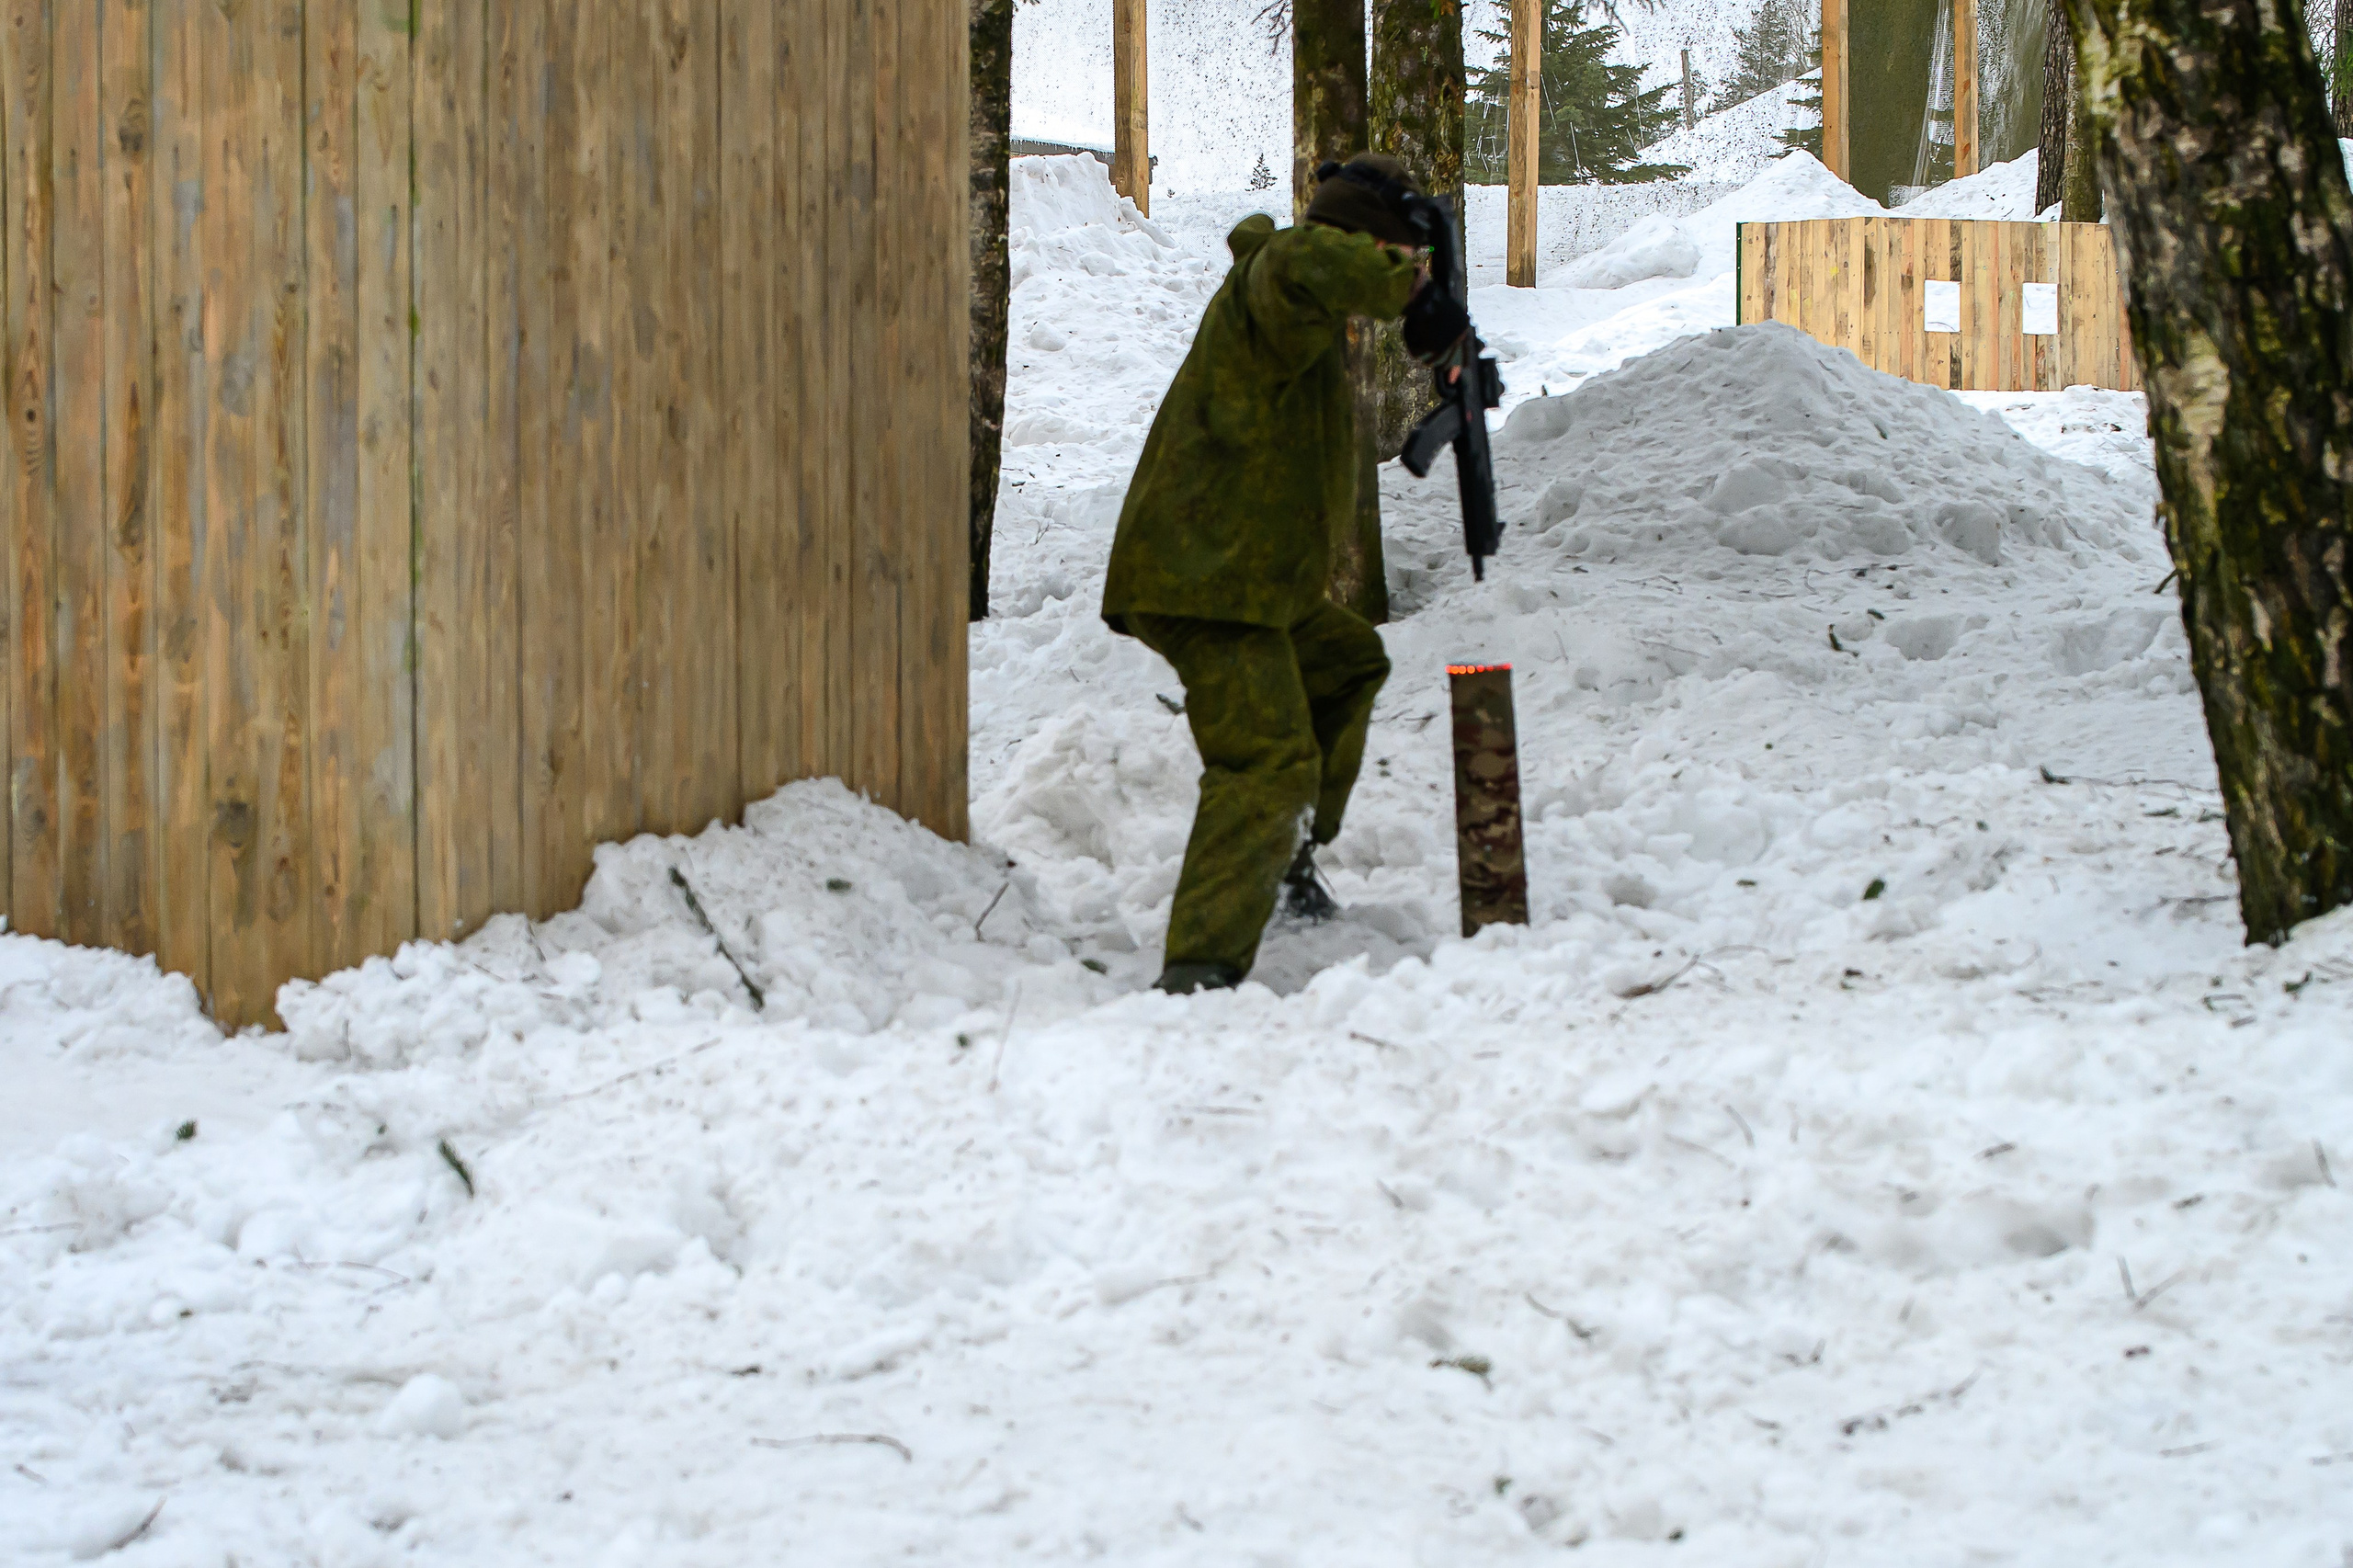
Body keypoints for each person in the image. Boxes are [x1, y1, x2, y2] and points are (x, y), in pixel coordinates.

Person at [1100, 153, 1472, 994]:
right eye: (1394, 258)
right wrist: (1415, 275)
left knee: (1347, 665)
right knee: (1265, 757)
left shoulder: (1294, 313)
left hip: (1250, 586)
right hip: (1204, 580)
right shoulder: (1278, 277)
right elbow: (1311, 255)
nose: (1403, 277)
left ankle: (1288, 857)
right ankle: (1199, 971)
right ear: (1362, 244)